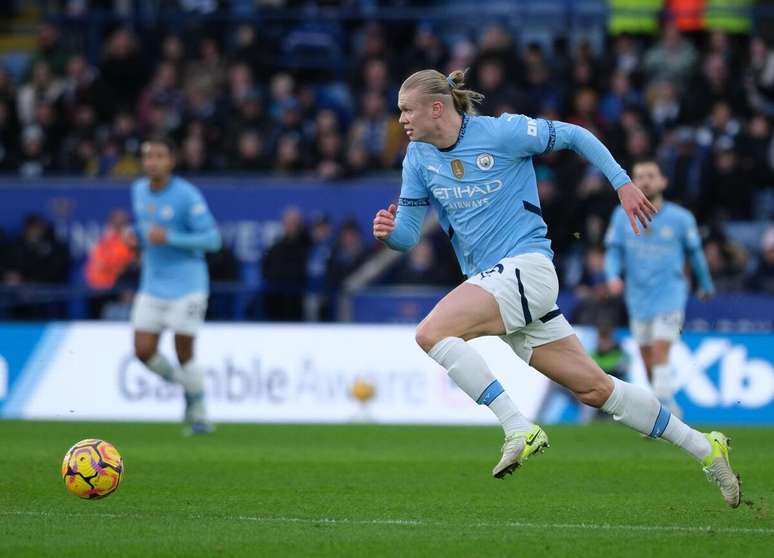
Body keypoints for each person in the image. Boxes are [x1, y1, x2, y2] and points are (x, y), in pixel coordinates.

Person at [372, 69, 740, 508]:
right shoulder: (417, 157)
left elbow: (576, 136)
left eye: (406, 110)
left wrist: (622, 184)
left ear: (436, 108)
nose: (402, 120)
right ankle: (705, 447)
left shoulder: (503, 133)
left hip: (526, 268)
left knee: (431, 332)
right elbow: (409, 234)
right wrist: (389, 234)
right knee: (596, 390)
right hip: (496, 284)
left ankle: (516, 427)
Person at [605, 158, 715, 417]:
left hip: (671, 294)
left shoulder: (681, 218)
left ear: (663, 181)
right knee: (647, 360)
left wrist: (706, 283)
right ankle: (669, 406)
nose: (645, 181)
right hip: (638, 297)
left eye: (651, 175)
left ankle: (663, 414)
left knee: (659, 349)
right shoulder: (621, 216)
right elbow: (613, 252)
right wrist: (612, 276)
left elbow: (695, 254)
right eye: (639, 176)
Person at [130, 138, 221, 434]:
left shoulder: (186, 195)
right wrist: (133, 236)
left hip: (188, 284)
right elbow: (146, 232)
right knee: (143, 351)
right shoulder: (138, 191)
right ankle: (191, 389)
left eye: (158, 156)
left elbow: (212, 240)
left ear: (170, 161)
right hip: (152, 284)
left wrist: (170, 237)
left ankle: (201, 413)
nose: (152, 161)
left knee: (184, 353)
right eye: (147, 156)